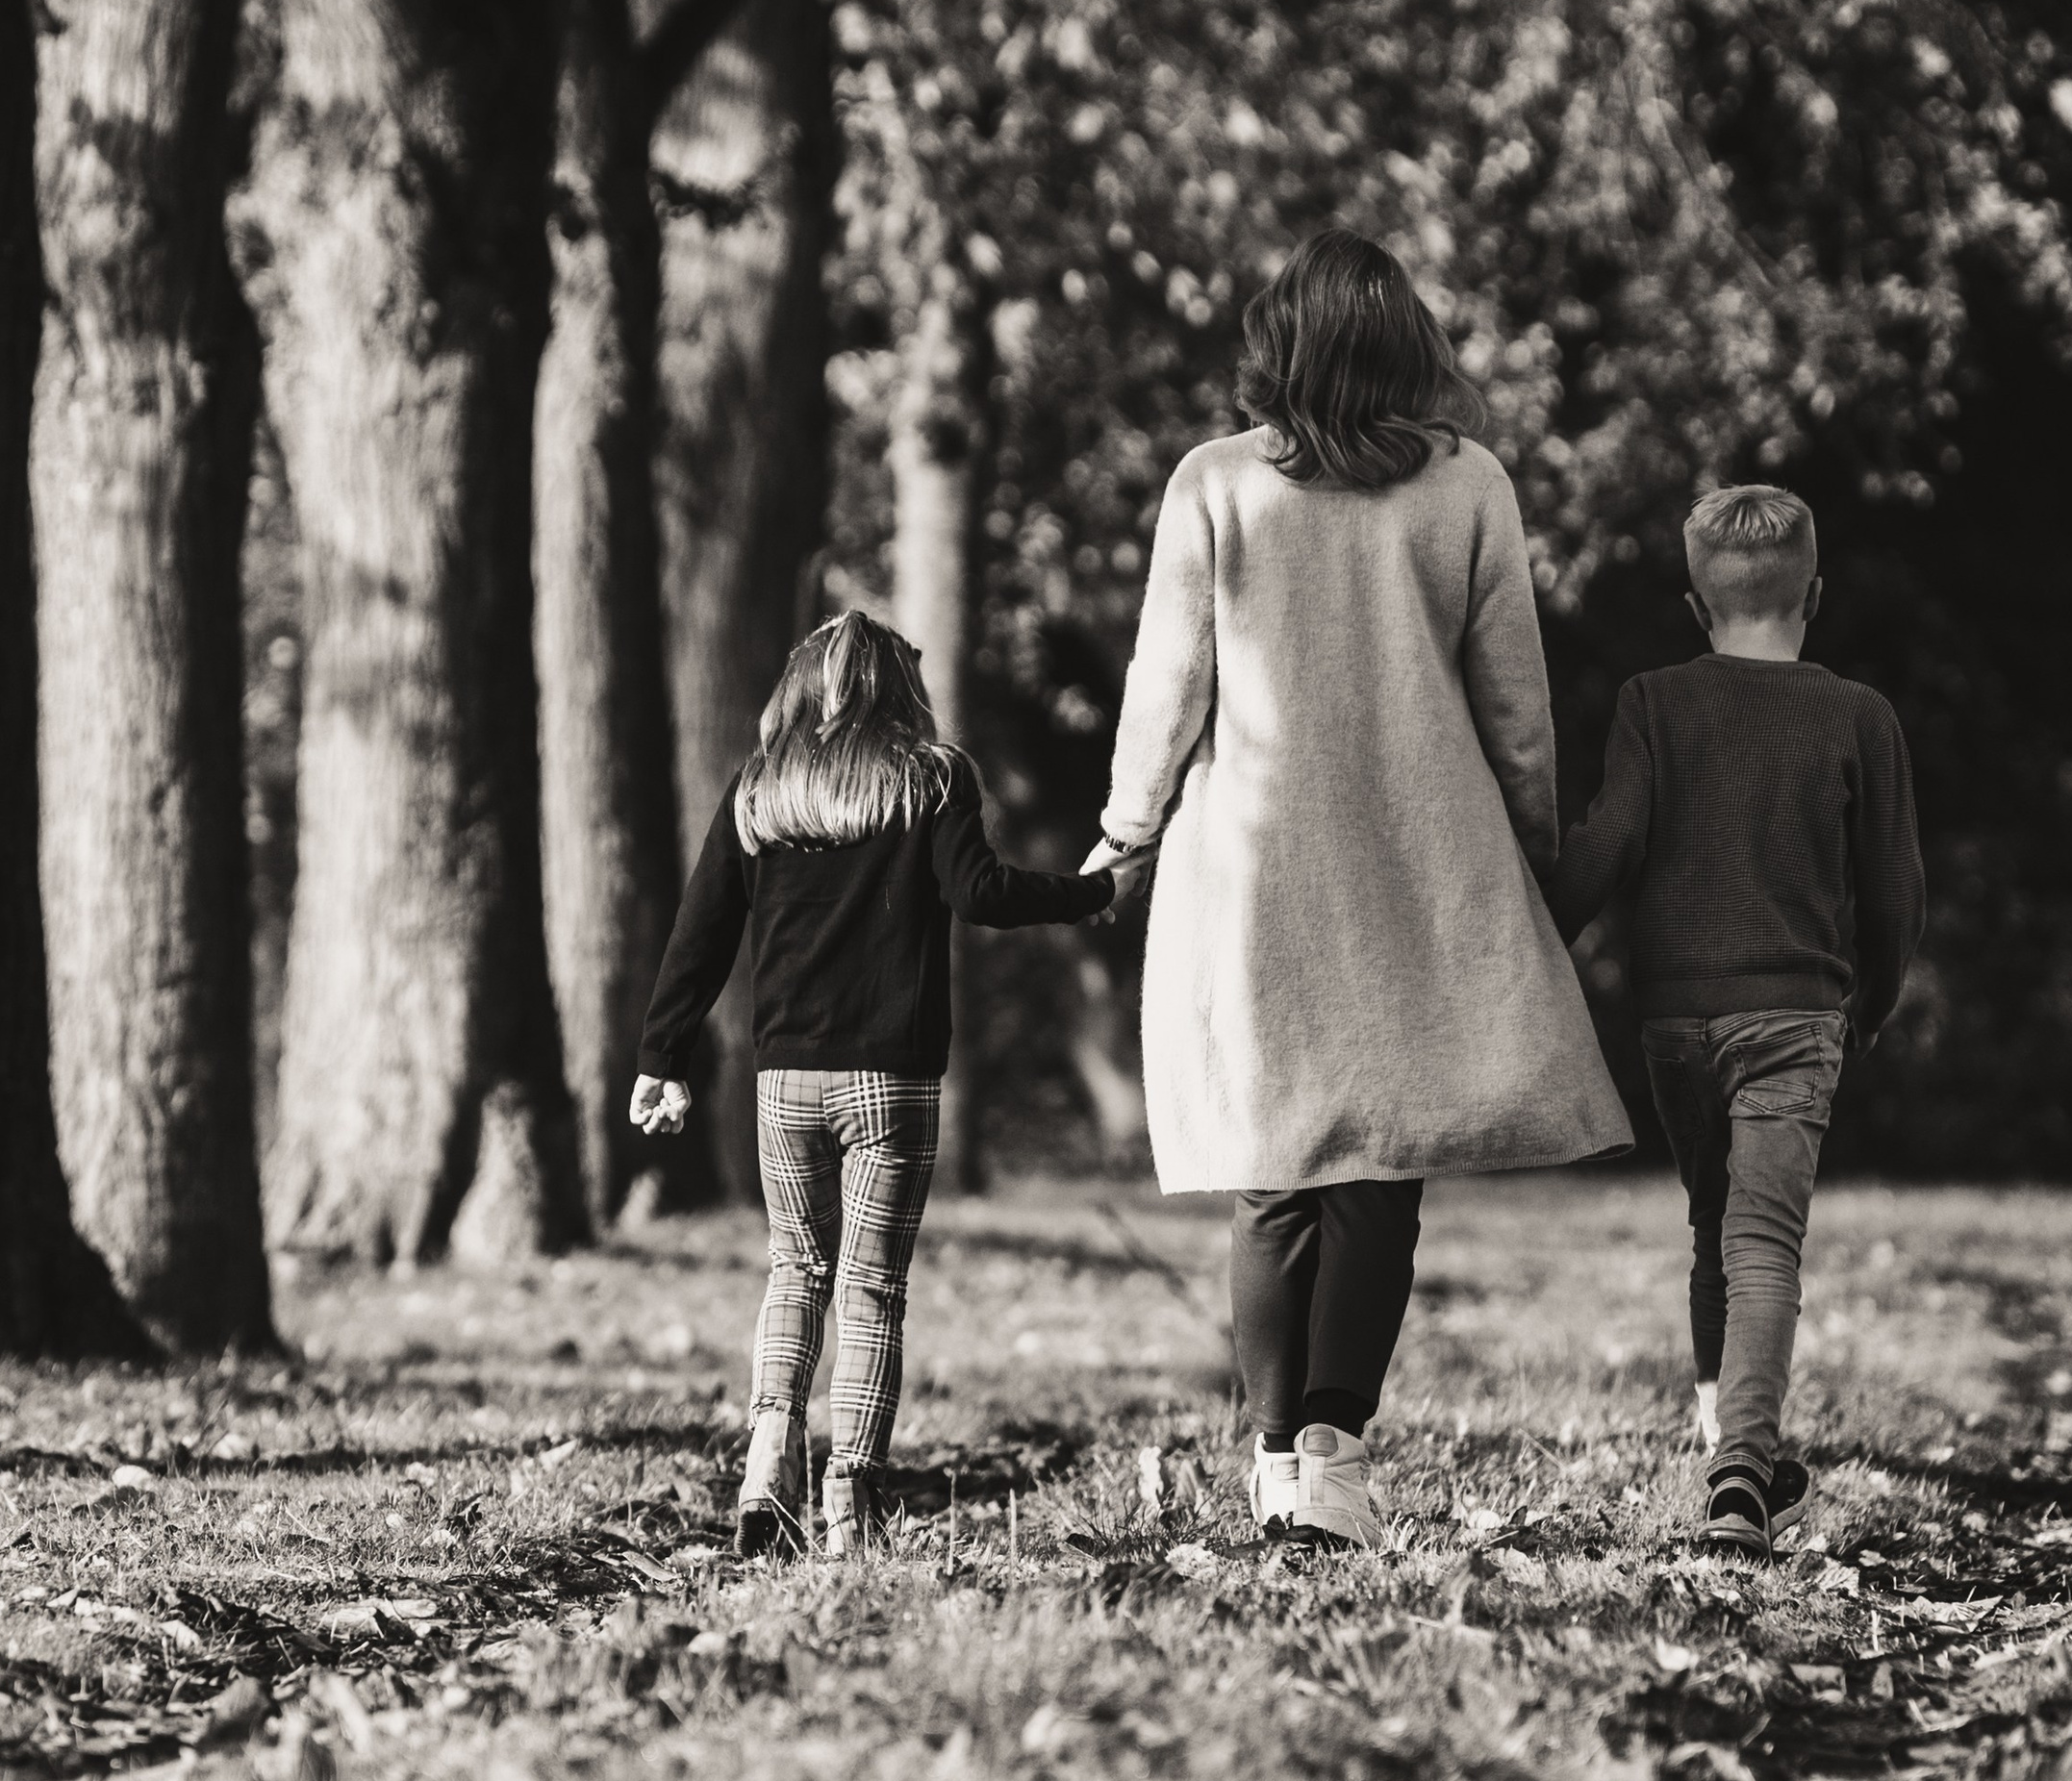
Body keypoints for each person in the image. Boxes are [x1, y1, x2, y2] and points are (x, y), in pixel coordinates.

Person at [1087, 229, 1632, 1550]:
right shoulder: (1468, 486)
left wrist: (1127, 830)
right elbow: (1515, 693)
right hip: (1413, 853)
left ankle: (1276, 1461)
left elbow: (1169, 681)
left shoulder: (1214, 484)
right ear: (1408, 348)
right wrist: (1536, 841)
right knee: (1382, 1171)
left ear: (1279, 344)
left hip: (1254, 866)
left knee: (1272, 1174)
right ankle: (1332, 1449)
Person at [632, 612, 1117, 1559]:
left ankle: (772, 1445)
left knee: (793, 1267)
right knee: (872, 1287)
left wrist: (663, 1057)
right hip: (892, 1077)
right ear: (899, 688)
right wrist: (1090, 891)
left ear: (803, 685)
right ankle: (851, 1493)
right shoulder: (932, 777)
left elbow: (702, 930)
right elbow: (982, 894)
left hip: (788, 1079)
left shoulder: (762, 788)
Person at [1548, 484, 1925, 1559]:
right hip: (1796, 1019)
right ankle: (1742, 1477)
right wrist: (1876, 1000)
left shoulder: (1652, 701)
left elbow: (1609, 844)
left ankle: (1726, 1436)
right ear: (1815, 592)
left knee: (1712, 1222)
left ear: (1690, 600)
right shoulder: (1859, 715)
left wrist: (1536, 929)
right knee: (1763, 1243)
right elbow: (1892, 890)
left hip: (1675, 1021)